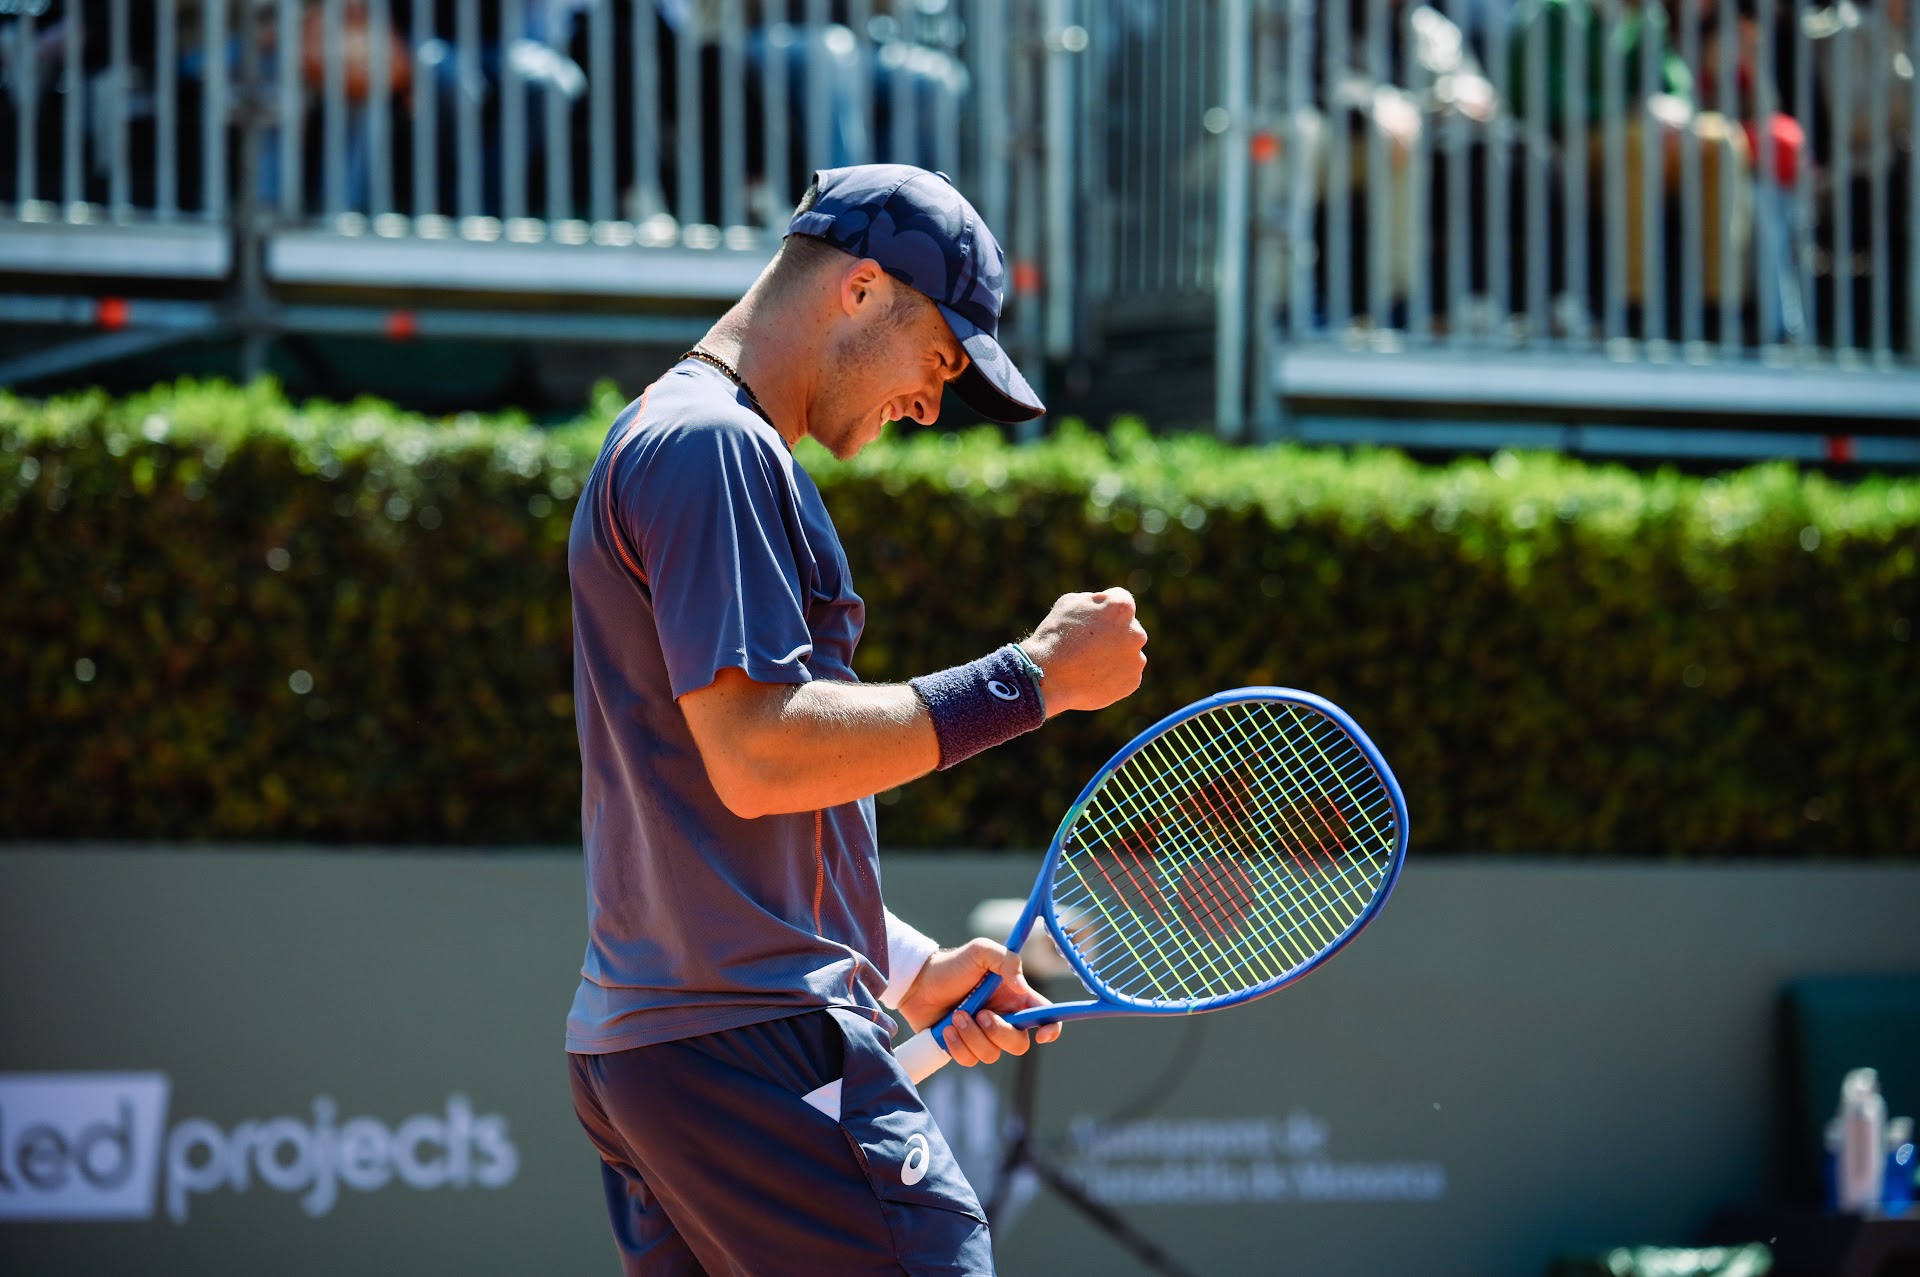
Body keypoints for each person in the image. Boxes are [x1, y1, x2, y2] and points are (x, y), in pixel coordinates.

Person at [563, 162, 1150, 1276]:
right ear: (863, 289)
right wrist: (1028, 679)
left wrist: (898, 961)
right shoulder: (713, 447)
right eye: (940, 357)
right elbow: (759, 752)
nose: (934, 401)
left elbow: (699, 802)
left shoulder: (689, 437)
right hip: (746, 1043)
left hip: (663, 1046)